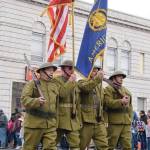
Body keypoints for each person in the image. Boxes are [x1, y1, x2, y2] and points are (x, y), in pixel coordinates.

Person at [21, 62, 59, 150]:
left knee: (51, 148)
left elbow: (56, 105)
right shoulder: (32, 84)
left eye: (52, 70)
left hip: (50, 124)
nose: (51, 72)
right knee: (29, 148)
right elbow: (24, 99)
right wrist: (36, 101)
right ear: (41, 72)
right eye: (49, 70)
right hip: (34, 124)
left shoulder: (54, 86)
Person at [78, 66, 108, 150]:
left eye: (97, 71)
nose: (96, 73)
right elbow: (86, 88)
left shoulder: (99, 86)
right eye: (94, 71)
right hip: (86, 121)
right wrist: (98, 78)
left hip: (99, 121)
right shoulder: (81, 82)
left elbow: (103, 104)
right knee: (81, 146)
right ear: (88, 72)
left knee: (104, 145)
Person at [55, 60, 81, 150]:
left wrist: (79, 119)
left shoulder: (75, 83)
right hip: (60, 119)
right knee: (51, 144)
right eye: (70, 68)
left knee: (75, 145)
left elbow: (77, 102)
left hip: (72, 119)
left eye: (73, 69)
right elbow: (62, 94)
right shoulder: (56, 81)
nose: (72, 71)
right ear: (62, 69)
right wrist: (70, 81)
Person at [104, 71, 133, 150]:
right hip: (114, 123)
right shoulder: (108, 89)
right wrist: (120, 101)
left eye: (122, 77)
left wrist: (130, 118)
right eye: (119, 77)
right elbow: (108, 103)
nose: (121, 79)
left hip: (126, 122)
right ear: (113, 78)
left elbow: (130, 107)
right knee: (110, 145)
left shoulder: (126, 90)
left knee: (127, 146)